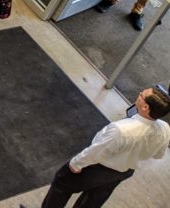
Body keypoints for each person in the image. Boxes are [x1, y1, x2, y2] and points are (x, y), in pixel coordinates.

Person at [40, 84, 170, 208]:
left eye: (142, 95)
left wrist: (75, 164)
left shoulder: (121, 130)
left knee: (61, 186)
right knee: (92, 201)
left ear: (145, 107)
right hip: (123, 172)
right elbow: (158, 155)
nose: (139, 94)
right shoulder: (165, 129)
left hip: (97, 169)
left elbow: (97, 152)